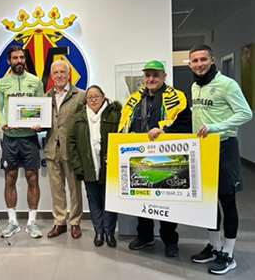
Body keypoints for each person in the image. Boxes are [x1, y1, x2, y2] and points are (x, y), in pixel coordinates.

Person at [188, 44, 252, 275]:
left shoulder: (227, 84)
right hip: (202, 150)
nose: (199, 64)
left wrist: (216, 127)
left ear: (212, 60)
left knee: (227, 202)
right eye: (194, 61)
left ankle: (229, 253)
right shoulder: (195, 86)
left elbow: (245, 112)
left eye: (203, 59)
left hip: (224, 147)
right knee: (207, 202)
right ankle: (214, 247)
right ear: (190, 64)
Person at [118, 60, 192, 257]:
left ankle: (169, 240)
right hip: (138, 156)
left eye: (155, 75)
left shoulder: (177, 98)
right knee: (141, 199)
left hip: (166, 156)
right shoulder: (134, 99)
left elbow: (186, 126)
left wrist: (165, 131)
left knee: (167, 202)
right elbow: (124, 126)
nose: (151, 79)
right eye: (148, 75)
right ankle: (145, 236)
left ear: (164, 77)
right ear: (143, 77)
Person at [0, 45, 44, 238]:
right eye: (15, 58)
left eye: (21, 58)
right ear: (9, 61)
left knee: (33, 179)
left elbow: (42, 107)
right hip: (10, 139)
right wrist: (3, 124)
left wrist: (40, 122)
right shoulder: (1, 83)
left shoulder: (35, 81)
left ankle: (32, 222)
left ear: (25, 60)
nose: (19, 61)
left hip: (30, 138)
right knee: (10, 180)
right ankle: (12, 222)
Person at [67, 85, 121, 247]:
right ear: (86, 100)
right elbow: (71, 142)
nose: (93, 100)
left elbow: (122, 137)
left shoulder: (115, 114)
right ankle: (99, 232)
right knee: (94, 200)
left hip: (109, 168)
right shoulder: (79, 117)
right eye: (90, 97)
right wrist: (77, 165)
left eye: (96, 96)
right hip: (88, 168)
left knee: (109, 201)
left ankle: (109, 233)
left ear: (103, 96)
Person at [44, 60, 85, 239]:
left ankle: (75, 222)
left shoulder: (80, 95)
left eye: (62, 72)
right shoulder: (46, 97)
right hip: (52, 149)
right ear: (51, 76)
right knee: (56, 189)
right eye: (56, 73)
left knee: (75, 188)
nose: (59, 75)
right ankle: (59, 222)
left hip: (72, 150)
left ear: (69, 75)